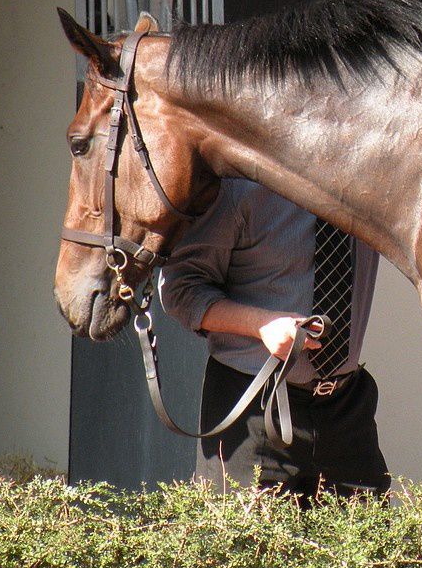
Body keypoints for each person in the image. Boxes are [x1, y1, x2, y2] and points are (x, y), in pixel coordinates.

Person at [158, 178, 390, 500]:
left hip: (346, 406)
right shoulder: (240, 186)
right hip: (254, 404)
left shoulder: (366, 185)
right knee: (245, 548)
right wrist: (261, 324)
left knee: (365, 546)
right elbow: (180, 287)